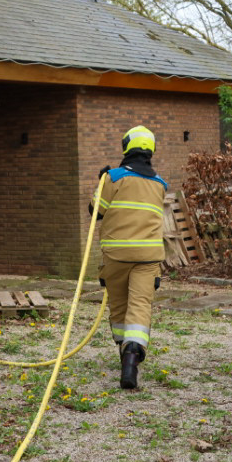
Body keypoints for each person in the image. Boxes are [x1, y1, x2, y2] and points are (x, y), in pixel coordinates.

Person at [90, 125, 167, 390]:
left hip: (116, 255)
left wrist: (102, 182)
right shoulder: (160, 184)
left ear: (126, 146)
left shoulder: (114, 178)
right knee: (141, 304)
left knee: (120, 306)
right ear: (151, 150)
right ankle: (131, 359)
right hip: (149, 256)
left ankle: (123, 353)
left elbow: (95, 212)